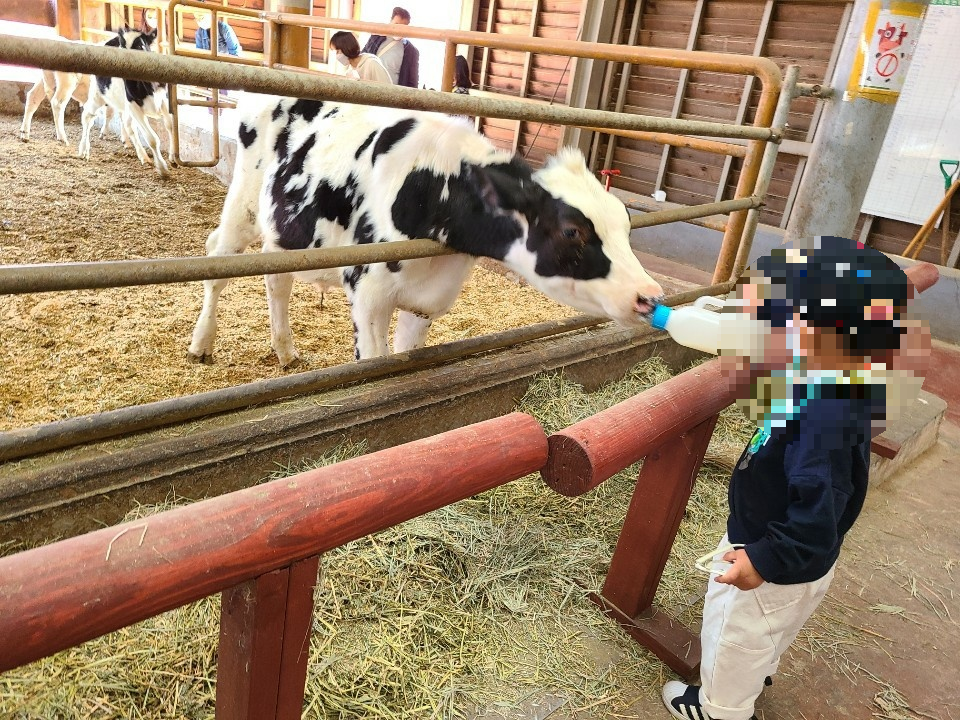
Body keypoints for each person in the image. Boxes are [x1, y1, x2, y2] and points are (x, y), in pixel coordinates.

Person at [662, 237, 925, 720]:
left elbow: (818, 511)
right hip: (801, 560)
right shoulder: (841, 381)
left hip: (774, 553)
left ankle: (719, 708)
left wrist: (763, 559)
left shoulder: (822, 417)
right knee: (771, 631)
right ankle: (759, 672)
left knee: (735, 632)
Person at [361, 6, 419, 88]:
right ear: (390, 22)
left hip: (391, 92)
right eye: (396, 25)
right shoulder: (375, 38)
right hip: (368, 87)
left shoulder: (411, 51)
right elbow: (362, 58)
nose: (399, 30)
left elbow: (412, 82)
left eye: (403, 27)